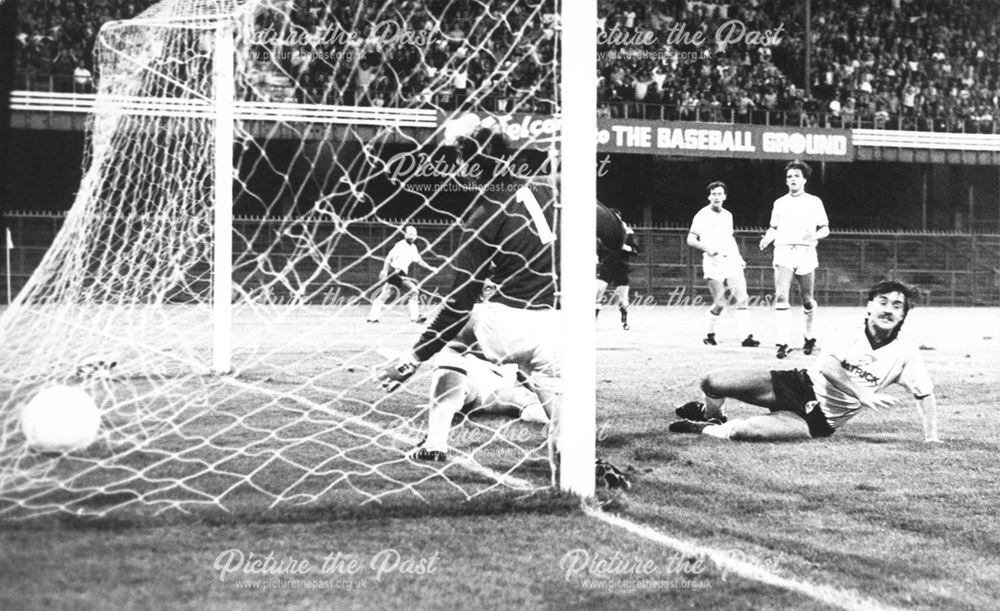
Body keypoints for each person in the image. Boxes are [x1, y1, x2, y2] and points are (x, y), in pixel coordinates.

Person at [669, 281, 940, 443]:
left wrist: (931, 439)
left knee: (748, 433)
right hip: (798, 383)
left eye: (896, 306)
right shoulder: (847, 327)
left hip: (818, 419)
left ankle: (706, 429)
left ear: (903, 315)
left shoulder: (906, 352)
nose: (888, 310)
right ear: (869, 306)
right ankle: (712, 415)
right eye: (883, 302)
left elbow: (924, 393)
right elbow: (828, 367)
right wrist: (862, 393)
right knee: (712, 380)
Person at [412, 350, 549, 463]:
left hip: (496, 384)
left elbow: (525, 369)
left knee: (522, 397)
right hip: (467, 374)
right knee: (449, 357)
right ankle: (435, 444)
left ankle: (560, 422)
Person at [759, 160, 830, 359]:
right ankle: (783, 343)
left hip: (805, 253)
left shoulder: (814, 202)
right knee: (781, 295)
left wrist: (813, 237)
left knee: (807, 300)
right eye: (789, 176)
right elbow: (774, 227)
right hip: (783, 251)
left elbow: (825, 228)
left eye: (796, 176)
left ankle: (809, 337)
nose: (792, 179)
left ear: (804, 179)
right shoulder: (779, 203)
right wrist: (767, 239)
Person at [687, 181, 759, 347]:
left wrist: (738, 257)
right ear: (709, 196)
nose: (716, 197)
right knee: (720, 303)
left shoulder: (728, 215)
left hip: (731, 260)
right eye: (713, 194)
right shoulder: (702, 215)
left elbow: (729, 238)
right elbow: (691, 239)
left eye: (719, 194)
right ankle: (709, 334)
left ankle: (746, 337)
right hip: (713, 262)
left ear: (724, 196)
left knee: (742, 298)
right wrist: (708, 248)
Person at [366, 225, 438, 323]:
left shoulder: (413, 248)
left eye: (414, 234)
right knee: (414, 291)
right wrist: (384, 270)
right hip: (395, 272)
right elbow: (388, 258)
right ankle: (415, 317)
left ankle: (372, 317)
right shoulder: (400, 245)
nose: (412, 236)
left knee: (386, 294)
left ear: (416, 236)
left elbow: (418, 260)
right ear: (405, 235)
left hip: (400, 273)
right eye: (410, 234)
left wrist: (430, 268)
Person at [595, 209, 639, 331]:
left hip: (621, 267)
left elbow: (635, 251)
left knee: (622, 298)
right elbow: (600, 247)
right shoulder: (605, 231)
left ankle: (624, 320)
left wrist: (623, 247)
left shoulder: (628, 232)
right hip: (608, 266)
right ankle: (592, 322)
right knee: (597, 291)